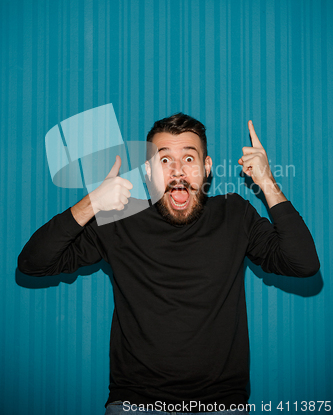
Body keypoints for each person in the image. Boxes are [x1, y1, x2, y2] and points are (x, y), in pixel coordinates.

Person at [18, 113, 320, 415]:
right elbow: (34, 262)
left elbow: (303, 263)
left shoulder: (235, 215)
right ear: (148, 171)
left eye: (189, 159)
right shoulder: (120, 221)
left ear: (206, 168)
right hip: (135, 403)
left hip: (222, 404)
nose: (178, 171)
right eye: (164, 160)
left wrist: (266, 180)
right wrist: (93, 203)